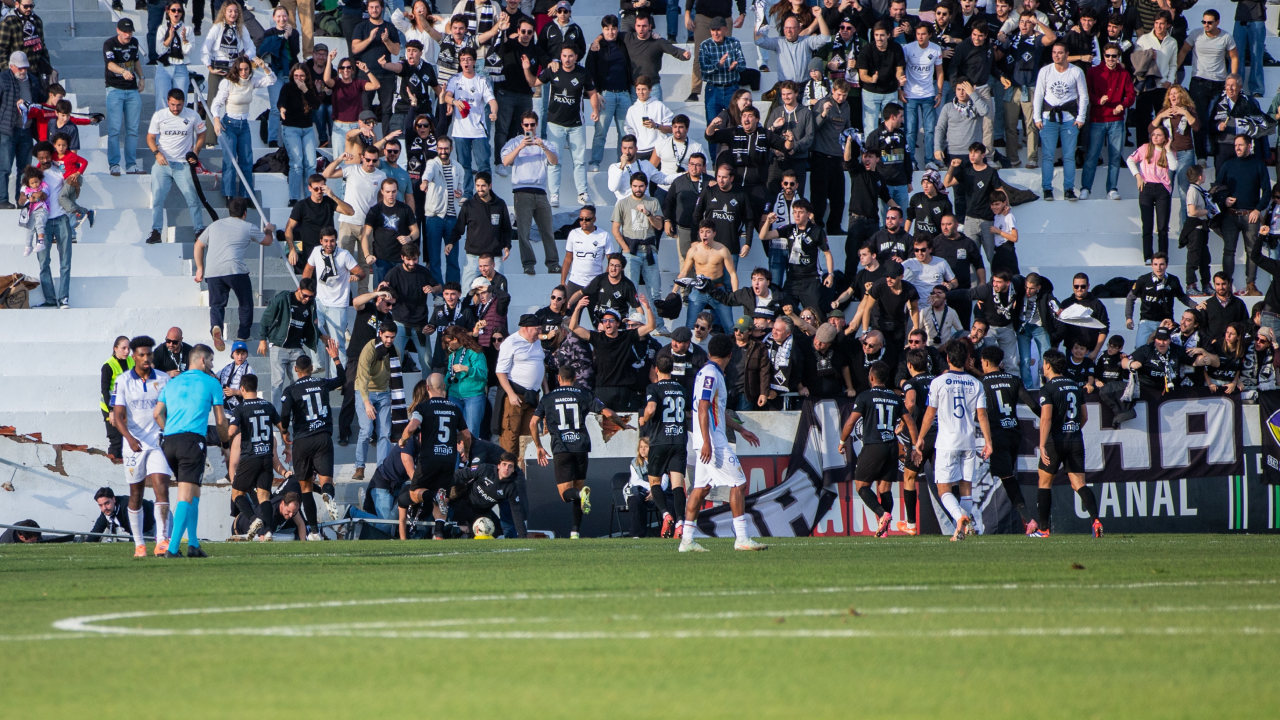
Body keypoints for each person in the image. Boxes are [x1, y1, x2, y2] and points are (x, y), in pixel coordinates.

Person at [677, 334, 765, 552]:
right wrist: (707, 442)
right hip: (713, 442)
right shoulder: (711, 374)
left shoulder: (707, 372)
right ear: (730, 355)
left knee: (701, 488)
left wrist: (741, 429)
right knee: (739, 483)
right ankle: (742, 538)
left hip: (706, 440)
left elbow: (718, 410)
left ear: (709, 353)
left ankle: (687, 540)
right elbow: (703, 408)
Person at [531, 365, 632, 538]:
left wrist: (539, 446)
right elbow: (608, 413)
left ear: (559, 378)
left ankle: (579, 497)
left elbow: (533, 423)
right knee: (579, 489)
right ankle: (575, 532)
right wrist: (623, 425)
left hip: (562, 448)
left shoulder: (548, 398)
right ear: (575, 378)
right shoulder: (584, 395)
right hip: (581, 448)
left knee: (566, 494)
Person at [154, 344, 228, 557]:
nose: (212, 365)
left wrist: (170, 432)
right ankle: (172, 549)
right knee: (185, 494)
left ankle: (193, 544)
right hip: (192, 441)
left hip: (169, 441)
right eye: (211, 360)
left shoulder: (172, 382)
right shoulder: (212, 382)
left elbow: (157, 414)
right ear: (203, 360)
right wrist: (225, 444)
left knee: (194, 491)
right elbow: (221, 420)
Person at [913, 340, 991, 540]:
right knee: (966, 489)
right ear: (966, 360)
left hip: (947, 443)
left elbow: (930, 414)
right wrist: (988, 442)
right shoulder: (976, 383)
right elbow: (982, 415)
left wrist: (920, 438)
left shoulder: (938, 382)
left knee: (943, 490)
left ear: (947, 359)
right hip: (968, 442)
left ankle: (959, 518)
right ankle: (962, 530)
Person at [837, 360, 919, 537]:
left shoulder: (865, 396)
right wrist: (913, 447)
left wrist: (842, 441)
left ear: (871, 377)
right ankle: (883, 531)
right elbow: (910, 423)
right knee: (885, 489)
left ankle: (882, 515)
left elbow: (851, 422)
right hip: (892, 446)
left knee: (861, 486)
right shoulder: (895, 398)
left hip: (874, 445)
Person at [111, 336, 174, 556]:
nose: (146, 358)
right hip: (133, 444)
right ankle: (139, 544)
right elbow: (118, 416)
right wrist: (129, 438)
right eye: (142, 354)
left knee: (161, 488)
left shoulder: (164, 379)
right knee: (136, 493)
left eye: (149, 354)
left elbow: (171, 409)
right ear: (134, 356)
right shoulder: (123, 380)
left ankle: (162, 540)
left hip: (158, 442)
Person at [279, 339, 345, 537]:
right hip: (322, 437)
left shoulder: (291, 390)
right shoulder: (321, 382)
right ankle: (327, 495)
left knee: (306, 488)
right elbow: (342, 379)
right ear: (311, 369)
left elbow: (284, 413)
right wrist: (335, 358)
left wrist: (284, 430)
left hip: (302, 440)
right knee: (326, 481)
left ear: (296, 370)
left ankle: (314, 532)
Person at [1034, 349, 1102, 538]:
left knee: (1044, 483)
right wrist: (1072, 429)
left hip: (1055, 442)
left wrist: (1042, 444)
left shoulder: (1047, 388)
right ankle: (1096, 521)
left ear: (1048, 365)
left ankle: (1043, 530)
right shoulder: (1074, 385)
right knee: (1079, 483)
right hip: (1075, 440)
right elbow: (1084, 416)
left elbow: (1046, 418)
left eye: (1043, 363)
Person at [194, 197, 276, 353]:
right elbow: (267, 241)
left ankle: (216, 326)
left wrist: (199, 268)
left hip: (213, 271)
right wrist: (269, 230)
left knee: (217, 305)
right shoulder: (248, 227)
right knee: (245, 303)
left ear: (229, 211)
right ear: (245, 213)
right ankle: (243, 335)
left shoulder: (215, 225)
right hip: (235, 270)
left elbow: (198, 244)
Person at [396, 373, 472, 539]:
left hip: (429, 459)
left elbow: (411, 427)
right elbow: (466, 435)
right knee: (442, 494)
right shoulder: (454, 408)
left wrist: (402, 440)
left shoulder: (423, 407)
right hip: (449, 459)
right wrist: (466, 451)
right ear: (444, 387)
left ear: (427, 387)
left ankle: (434, 496)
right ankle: (438, 534)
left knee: (414, 492)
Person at [567, 293, 658, 410]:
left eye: (611, 320)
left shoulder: (626, 336)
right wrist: (578, 308)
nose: (607, 323)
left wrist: (648, 308)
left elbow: (651, 326)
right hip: (602, 388)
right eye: (604, 321)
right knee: (602, 420)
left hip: (623, 388)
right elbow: (573, 327)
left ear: (618, 323)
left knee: (624, 421)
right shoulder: (597, 337)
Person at [226, 373, 289, 540]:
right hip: (266, 457)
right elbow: (283, 428)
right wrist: (287, 445)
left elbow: (231, 431)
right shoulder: (268, 406)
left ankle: (254, 520)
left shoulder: (240, 408)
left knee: (237, 494)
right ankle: (267, 531)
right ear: (256, 387)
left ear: (242, 389)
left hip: (250, 457)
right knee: (264, 497)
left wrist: (227, 436)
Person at [501, 111, 561, 274]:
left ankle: (553, 264)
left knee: (547, 231)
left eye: (532, 125)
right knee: (524, 232)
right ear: (522, 125)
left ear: (537, 125)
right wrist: (520, 147)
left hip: (540, 192)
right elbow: (505, 161)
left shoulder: (544, 143)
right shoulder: (514, 142)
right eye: (526, 125)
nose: (529, 128)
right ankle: (528, 264)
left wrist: (542, 147)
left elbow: (554, 161)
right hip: (521, 192)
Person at [210, 55, 276, 202]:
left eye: (246, 69)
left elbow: (271, 80)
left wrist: (264, 67)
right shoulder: (228, 83)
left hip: (244, 124)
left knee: (246, 160)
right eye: (240, 70)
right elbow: (216, 103)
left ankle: (246, 195)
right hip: (229, 124)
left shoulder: (251, 81)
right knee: (230, 161)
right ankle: (229, 194)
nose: (244, 72)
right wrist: (216, 119)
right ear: (236, 70)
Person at [145, 89, 206, 246]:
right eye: (172, 105)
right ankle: (156, 231)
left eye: (179, 105)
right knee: (157, 198)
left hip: (183, 164)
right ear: (168, 102)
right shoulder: (159, 115)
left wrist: (196, 152)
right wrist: (157, 153)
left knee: (192, 198)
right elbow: (150, 138)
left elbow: (202, 134)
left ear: (183, 102)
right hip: (163, 164)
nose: (175, 108)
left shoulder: (192, 115)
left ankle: (199, 231)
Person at [639, 354, 690, 537]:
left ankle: (666, 514)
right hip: (679, 440)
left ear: (656, 369)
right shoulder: (681, 389)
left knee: (654, 482)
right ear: (672, 369)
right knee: (677, 485)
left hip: (660, 440)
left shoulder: (653, 387)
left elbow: (651, 409)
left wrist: (644, 419)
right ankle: (680, 523)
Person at [759, 198, 833, 322]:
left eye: (801, 212)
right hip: (792, 279)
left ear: (808, 214)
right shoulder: (789, 228)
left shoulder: (816, 231)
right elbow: (763, 236)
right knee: (783, 311)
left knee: (817, 314)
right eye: (795, 212)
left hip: (811, 279)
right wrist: (768, 222)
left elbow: (827, 253)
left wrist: (830, 274)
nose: (797, 215)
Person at [1032, 40, 1087, 202]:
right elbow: (1038, 95)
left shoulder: (1076, 72)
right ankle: (1047, 189)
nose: (1056, 55)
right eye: (1054, 52)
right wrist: (1037, 117)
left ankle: (1069, 189)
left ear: (1067, 54)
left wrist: (1081, 117)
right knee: (1047, 156)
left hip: (1069, 118)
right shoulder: (1045, 71)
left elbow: (1083, 96)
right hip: (1048, 118)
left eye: (1060, 52)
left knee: (1069, 156)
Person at [1214, 134, 1269, 295]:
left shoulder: (1258, 165)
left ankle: (1251, 285)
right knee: (1228, 251)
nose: (1237, 148)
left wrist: (1258, 209)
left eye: (1240, 145)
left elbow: (1267, 190)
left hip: (1250, 215)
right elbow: (1217, 187)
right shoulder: (1228, 164)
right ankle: (1226, 285)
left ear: (1249, 146)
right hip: (1230, 215)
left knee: (1252, 251)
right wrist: (1224, 199)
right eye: (1235, 145)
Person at [1080, 43, 1135, 200]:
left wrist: (1122, 105)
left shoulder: (1124, 74)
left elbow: (1131, 95)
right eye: (1108, 56)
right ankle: (1085, 188)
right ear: (1103, 56)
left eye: (1114, 56)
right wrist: (1098, 100)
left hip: (1117, 120)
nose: (1111, 59)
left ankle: (1112, 189)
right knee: (1092, 155)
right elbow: (1086, 93)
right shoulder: (1093, 72)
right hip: (1097, 119)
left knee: (1115, 157)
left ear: (1118, 57)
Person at [1178, 11, 1234, 162]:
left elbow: (1234, 57)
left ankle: (1215, 152)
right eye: (1204, 22)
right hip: (1199, 82)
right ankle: (1201, 156)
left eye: (1209, 22)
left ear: (1217, 22)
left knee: (1217, 119)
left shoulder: (1226, 37)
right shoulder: (1196, 34)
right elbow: (1183, 51)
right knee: (1199, 119)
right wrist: (1173, 72)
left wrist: (1233, 78)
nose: (1206, 25)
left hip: (1219, 83)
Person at [258, 277, 326, 401]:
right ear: (298, 289)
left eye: (311, 296)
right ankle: (277, 413)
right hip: (279, 346)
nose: (307, 299)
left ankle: (297, 411)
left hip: (297, 348)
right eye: (305, 295)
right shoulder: (283, 298)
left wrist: (321, 335)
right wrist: (263, 339)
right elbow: (266, 319)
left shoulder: (311, 304)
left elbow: (311, 325)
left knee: (299, 383)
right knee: (277, 383)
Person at [444, 47, 498, 195]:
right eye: (463, 60)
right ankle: (467, 194)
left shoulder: (481, 80)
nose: (466, 62)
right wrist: (454, 102)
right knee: (464, 165)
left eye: (469, 59)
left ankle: (486, 194)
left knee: (483, 165)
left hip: (479, 131)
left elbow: (492, 101)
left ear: (474, 61)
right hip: (460, 131)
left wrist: (493, 112)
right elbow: (447, 96)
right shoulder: (455, 79)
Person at [586, 15, 634, 170]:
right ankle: (595, 162)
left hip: (624, 95)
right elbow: (589, 71)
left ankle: (623, 163)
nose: (610, 32)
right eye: (607, 29)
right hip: (605, 95)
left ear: (617, 29)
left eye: (613, 28)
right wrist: (596, 93)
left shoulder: (623, 44)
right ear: (602, 30)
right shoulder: (596, 47)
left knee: (624, 133)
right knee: (600, 132)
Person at [353, 322, 398, 481]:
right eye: (387, 337)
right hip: (365, 391)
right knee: (366, 429)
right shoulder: (369, 349)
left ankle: (382, 470)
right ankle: (360, 466)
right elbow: (363, 378)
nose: (389, 340)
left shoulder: (394, 351)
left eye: (392, 337)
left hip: (384, 393)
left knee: (385, 432)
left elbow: (395, 376)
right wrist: (366, 403)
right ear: (380, 334)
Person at [677, 220, 739, 333]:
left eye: (708, 232)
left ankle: (733, 345)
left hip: (717, 289)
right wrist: (673, 291)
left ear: (714, 233)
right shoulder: (694, 250)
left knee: (729, 327)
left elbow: (732, 274)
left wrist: (735, 294)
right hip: (699, 290)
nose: (704, 235)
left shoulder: (722, 250)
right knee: (690, 326)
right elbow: (684, 272)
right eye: (702, 232)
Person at [1128, 125, 1178, 262]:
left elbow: (1174, 167)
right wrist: (1138, 176)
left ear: (1165, 138)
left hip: (1162, 189)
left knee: (1162, 227)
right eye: (1153, 134)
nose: (1155, 137)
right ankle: (1148, 256)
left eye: (1159, 135)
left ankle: (1162, 257)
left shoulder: (1169, 151)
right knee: (1147, 225)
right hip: (1146, 187)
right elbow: (1130, 160)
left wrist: (1168, 149)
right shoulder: (1145, 148)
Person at [29, 142, 70, 308]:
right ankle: (50, 300)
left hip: (62, 219)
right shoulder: (34, 176)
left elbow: (74, 191)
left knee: (65, 262)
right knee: (43, 262)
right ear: (37, 158)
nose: (45, 160)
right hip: (42, 223)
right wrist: (33, 196)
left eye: (47, 156)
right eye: (41, 158)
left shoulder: (61, 170)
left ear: (51, 155)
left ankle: (64, 298)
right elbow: (22, 198)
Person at [612, 172, 665, 300]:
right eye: (635, 186)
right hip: (631, 251)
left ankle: (656, 314)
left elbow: (659, 226)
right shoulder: (622, 203)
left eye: (641, 186)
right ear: (631, 186)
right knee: (631, 292)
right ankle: (632, 314)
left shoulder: (653, 201)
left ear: (646, 186)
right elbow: (615, 229)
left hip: (649, 250)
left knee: (655, 292)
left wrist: (648, 213)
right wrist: (625, 249)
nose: (638, 189)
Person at [290, 173, 355, 275]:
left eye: (322, 188)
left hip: (329, 249)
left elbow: (350, 212)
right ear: (309, 188)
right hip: (310, 252)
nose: (319, 191)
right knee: (310, 282)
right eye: (316, 189)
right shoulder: (302, 205)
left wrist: (333, 196)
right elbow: (289, 228)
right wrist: (292, 249)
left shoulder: (329, 202)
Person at [420, 135, 464, 284]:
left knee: (453, 259)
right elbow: (428, 174)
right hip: (434, 217)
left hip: (452, 218)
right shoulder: (432, 163)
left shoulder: (458, 167)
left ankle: (453, 290)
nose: (443, 151)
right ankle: (438, 292)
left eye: (445, 148)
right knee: (434, 259)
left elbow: (461, 187)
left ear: (451, 149)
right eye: (440, 148)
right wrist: (424, 182)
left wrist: (459, 193)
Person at [697, 17, 744, 153]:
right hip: (713, 89)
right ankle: (714, 159)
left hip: (732, 88)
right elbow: (704, 69)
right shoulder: (705, 45)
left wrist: (736, 66)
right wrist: (718, 65)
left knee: (736, 123)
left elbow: (743, 64)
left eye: (718, 30)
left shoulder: (734, 42)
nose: (715, 33)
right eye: (713, 30)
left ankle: (735, 155)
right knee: (712, 125)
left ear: (725, 30)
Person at [277, 62, 321, 203]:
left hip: (307, 129)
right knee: (297, 163)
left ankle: (310, 197)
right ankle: (294, 198)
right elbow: (281, 102)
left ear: (306, 76)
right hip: (291, 128)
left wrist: (305, 90)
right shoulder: (287, 87)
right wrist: (282, 109)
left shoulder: (309, 87)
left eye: (301, 76)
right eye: (296, 76)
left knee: (311, 164)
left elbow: (316, 105)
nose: (298, 79)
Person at [104, 20, 144, 177]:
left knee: (133, 130)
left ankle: (131, 164)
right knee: (114, 129)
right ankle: (114, 164)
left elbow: (136, 60)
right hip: (115, 89)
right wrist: (123, 71)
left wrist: (142, 78)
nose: (128, 35)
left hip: (132, 90)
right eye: (125, 32)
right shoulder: (110, 44)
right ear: (118, 30)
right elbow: (110, 64)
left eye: (130, 32)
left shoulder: (134, 42)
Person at [810, 80, 851, 233]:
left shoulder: (846, 106)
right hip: (820, 156)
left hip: (836, 156)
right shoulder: (822, 103)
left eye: (844, 95)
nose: (841, 98)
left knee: (838, 197)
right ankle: (817, 227)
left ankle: (834, 227)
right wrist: (823, 114)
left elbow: (847, 127)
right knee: (819, 197)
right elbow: (812, 127)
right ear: (833, 90)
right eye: (839, 94)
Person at [1125, 253, 1192, 345]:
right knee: (1141, 348)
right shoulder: (1143, 280)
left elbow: (1182, 297)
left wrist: (1195, 305)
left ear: (1166, 265)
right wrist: (1129, 317)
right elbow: (1130, 297)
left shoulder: (1173, 280)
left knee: (1167, 347)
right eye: (1155, 264)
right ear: (1152, 265)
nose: (1158, 268)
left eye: (1161, 264)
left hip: (1167, 322)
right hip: (1147, 322)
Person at [857, 21, 907, 135]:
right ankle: (871, 147)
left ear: (888, 35)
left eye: (882, 35)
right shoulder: (866, 50)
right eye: (876, 35)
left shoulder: (896, 48)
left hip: (890, 92)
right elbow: (862, 75)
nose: (879, 38)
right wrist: (872, 79)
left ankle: (888, 146)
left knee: (890, 126)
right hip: (870, 92)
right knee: (870, 126)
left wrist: (900, 80)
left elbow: (899, 70)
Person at [100, 336, 135, 459]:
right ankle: (112, 467)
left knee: (129, 439)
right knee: (116, 441)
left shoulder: (131, 361)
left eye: (128, 348)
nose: (127, 351)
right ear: (115, 348)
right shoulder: (108, 366)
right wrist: (111, 411)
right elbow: (105, 390)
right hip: (111, 406)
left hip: (126, 406)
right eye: (123, 348)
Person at [90, 487, 155, 544]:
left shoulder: (126, 507)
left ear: (114, 499)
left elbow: (135, 533)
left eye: (107, 503)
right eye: (100, 505)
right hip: (142, 528)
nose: (104, 508)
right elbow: (95, 533)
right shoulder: (107, 511)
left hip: (155, 519)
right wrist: (86, 544)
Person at [1229, 0, 1265, 99]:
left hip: (1257, 18)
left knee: (1256, 55)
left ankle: (1257, 89)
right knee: (1237, 54)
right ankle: (1235, 86)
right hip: (1240, 18)